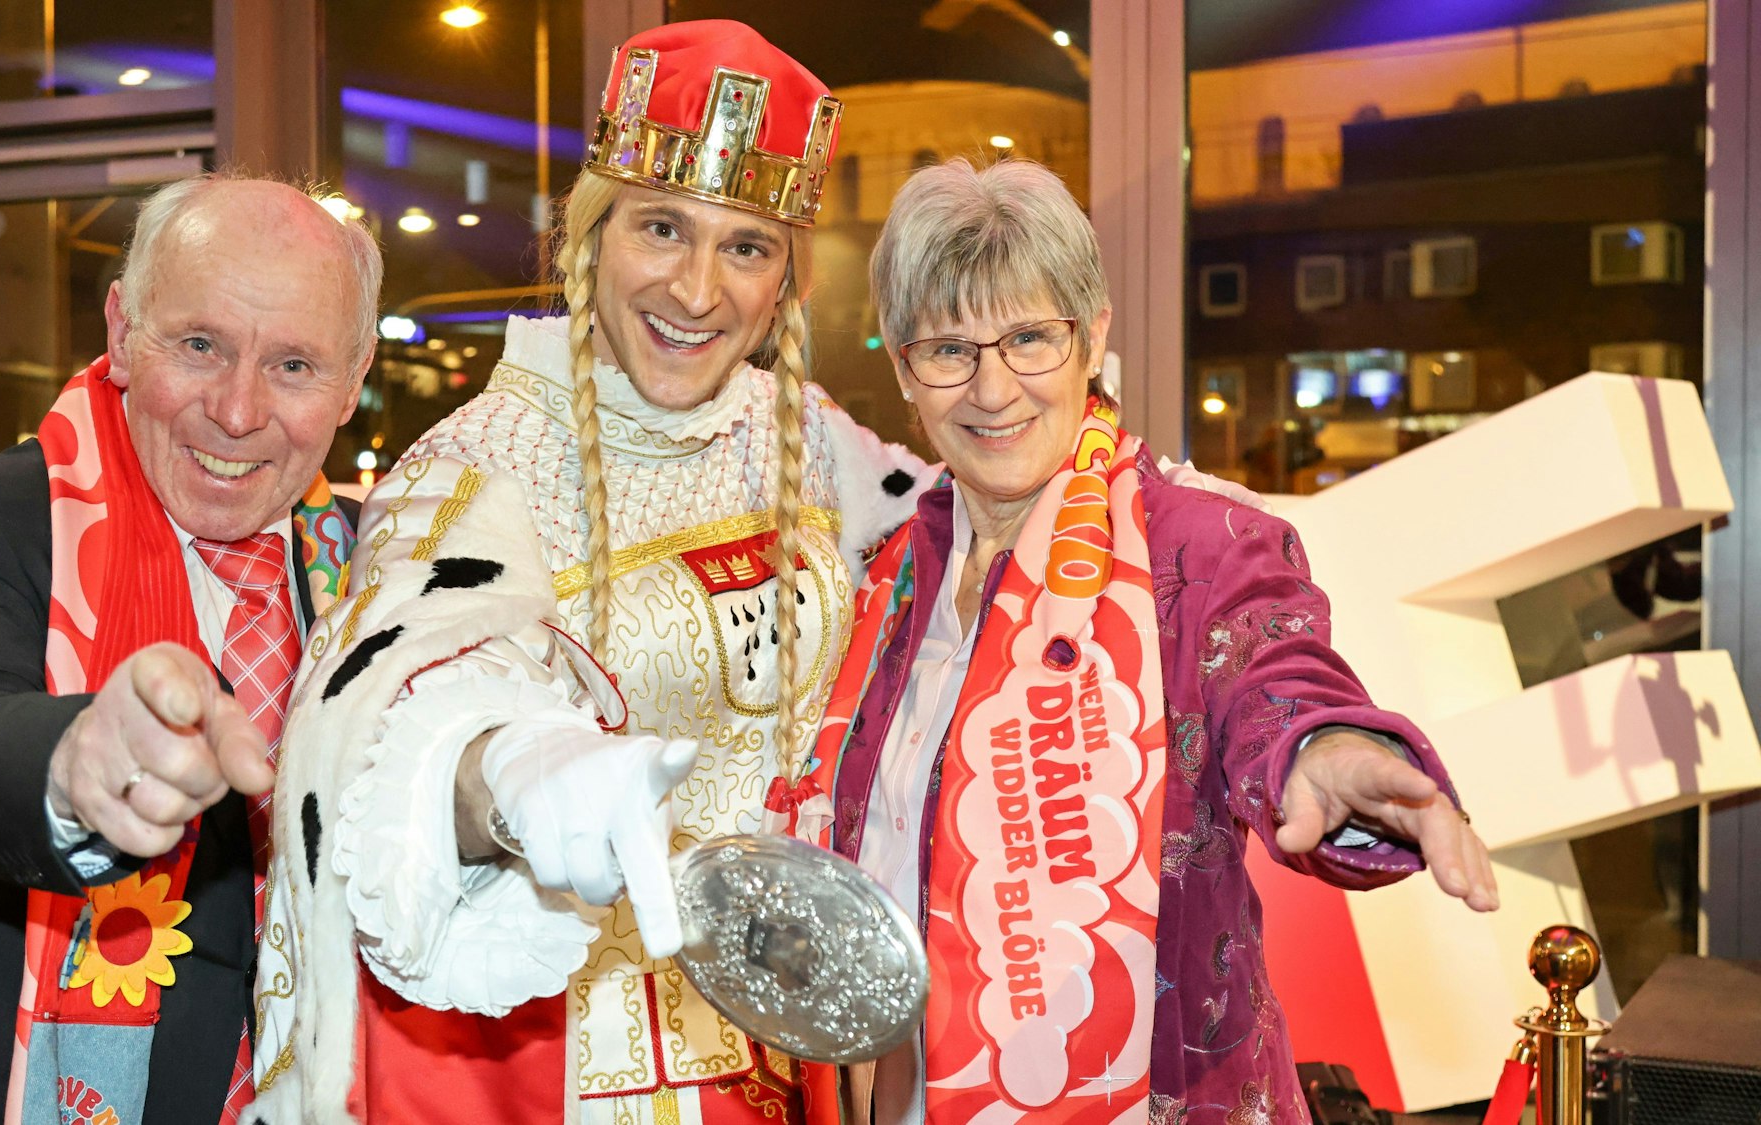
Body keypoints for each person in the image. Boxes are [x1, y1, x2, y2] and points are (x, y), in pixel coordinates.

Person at [248, 20, 930, 1124]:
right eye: (662, 228)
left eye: (746, 248)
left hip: (788, 1052)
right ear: (590, 235)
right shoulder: (477, 467)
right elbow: (400, 723)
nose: (698, 290)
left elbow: (968, 522)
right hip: (567, 1071)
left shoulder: (799, 431)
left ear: (784, 284)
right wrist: (508, 777)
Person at [803, 158, 1501, 1125]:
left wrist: (1330, 751)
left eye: (1030, 338)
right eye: (948, 350)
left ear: (1093, 337)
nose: (993, 387)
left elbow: (1276, 671)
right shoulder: (883, 570)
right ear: (903, 372)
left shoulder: (1199, 543)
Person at [0, 174, 376, 1125]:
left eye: (293, 366)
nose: (237, 412)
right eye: (200, 345)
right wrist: (77, 765)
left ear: (354, 380)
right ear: (122, 329)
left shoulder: (383, 568)